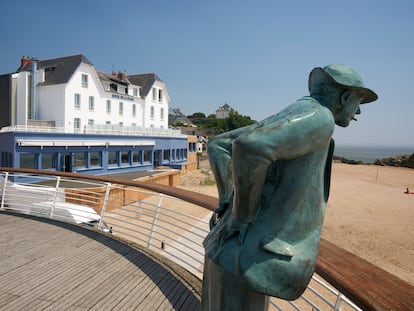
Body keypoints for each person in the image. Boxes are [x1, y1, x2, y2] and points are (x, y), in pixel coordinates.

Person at [202, 64, 378, 311]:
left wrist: (228, 202)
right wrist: (240, 217)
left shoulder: (294, 111)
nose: (358, 110)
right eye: (358, 101)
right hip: (250, 260)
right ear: (345, 96)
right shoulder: (320, 118)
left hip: (225, 248)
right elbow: (250, 148)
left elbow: (219, 145)